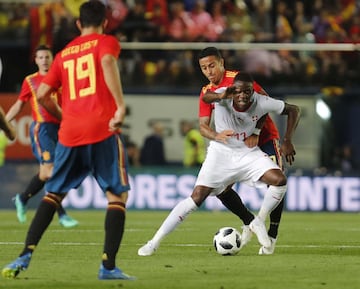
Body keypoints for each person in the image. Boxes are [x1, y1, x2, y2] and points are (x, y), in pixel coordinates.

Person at [2, 0, 135, 281]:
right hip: (102, 128)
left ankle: (25, 254)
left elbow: (42, 95)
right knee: (116, 196)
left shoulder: (63, 55)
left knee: (53, 193)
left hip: (70, 134)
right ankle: (107, 267)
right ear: (105, 22)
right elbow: (108, 62)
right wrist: (120, 107)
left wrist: (65, 117)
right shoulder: (105, 42)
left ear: (78, 24)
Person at [138, 72, 300, 256]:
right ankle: (153, 243)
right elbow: (206, 97)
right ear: (232, 90)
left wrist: (287, 140)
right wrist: (221, 96)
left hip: (247, 153)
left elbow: (294, 109)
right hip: (221, 153)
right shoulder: (224, 95)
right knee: (196, 197)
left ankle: (258, 221)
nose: (242, 96)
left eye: (247, 92)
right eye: (238, 92)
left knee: (280, 180)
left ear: (252, 92)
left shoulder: (261, 101)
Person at [196, 47, 291, 254]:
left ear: (222, 63)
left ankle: (272, 235)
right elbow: (203, 125)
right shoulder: (207, 92)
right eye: (204, 68)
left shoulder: (239, 80)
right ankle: (249, 221)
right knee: (220, 187)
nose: (209, 71)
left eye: (212, 65)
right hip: (234, 144)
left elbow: (265, 103)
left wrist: (257, 131)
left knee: (276, 183)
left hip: (263, 137)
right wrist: (216, 139)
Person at [5, 45, 78, 228]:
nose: (44, 60)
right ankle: (61, 215)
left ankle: (22, 198)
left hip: (63, 130)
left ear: (52, 59)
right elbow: (18, 105)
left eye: (47, 56)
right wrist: (4, 123)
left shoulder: (63, 79)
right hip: (42, 129)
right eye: (41, 57)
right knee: (51, 172)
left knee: (51, 173)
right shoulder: (30, 81)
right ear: (36, 60)